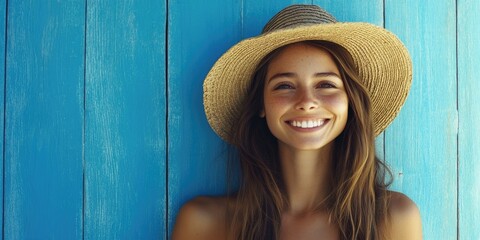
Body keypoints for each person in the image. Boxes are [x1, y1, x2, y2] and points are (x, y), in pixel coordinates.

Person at [172, 4, 422, 240]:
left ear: (350, 102)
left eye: (326, 84)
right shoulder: (204, 223)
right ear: (261, 104)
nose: (307, 101)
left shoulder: (394, 219)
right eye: (284, 86)